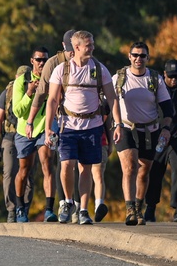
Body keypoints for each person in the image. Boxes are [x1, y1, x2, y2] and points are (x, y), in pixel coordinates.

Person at [44, 30, 122, 225]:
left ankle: (84, 209)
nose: (92, 48)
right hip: (68, 125)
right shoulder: (61, 70)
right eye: (89, 45)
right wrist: (48, 127)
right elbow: (52, 99)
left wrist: (118, 124)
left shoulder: (99, 69)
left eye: (92, 44)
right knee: (66, 165)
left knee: (86, 168)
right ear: (77, 47)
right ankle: (68, 202)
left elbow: (112, 98)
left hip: (92, 126)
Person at [113, 42, 174, 225]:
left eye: (142, 56)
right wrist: (112, 125)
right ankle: (130, 209)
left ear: (148, 58)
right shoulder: (119, 77)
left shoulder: (155, 79)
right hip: (125, 127)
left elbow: (168, 110)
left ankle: (139, 209)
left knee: (144, 171)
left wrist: (165, 129)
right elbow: (109, 101)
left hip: (150, 130)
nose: (138, 59)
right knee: (130, 167)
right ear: (129, 56)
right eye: (135, 55)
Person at [28, 30, 79, 221]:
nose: (75, 53)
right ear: (65, 46)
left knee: (80, 163)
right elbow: (42, 94)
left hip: (83, 120)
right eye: (72, 48)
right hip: (60, 119)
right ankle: (64, 203)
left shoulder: (89, 63)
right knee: (63, 160)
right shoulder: (53, 64)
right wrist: (31, 120)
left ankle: (80, 206)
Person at [145, 59, 177, 223]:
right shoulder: (156, 89)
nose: (173, 80)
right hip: (158, 138)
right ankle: (150, 207)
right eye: (170, 76)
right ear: (164, 74)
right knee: (154, 173)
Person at [11, 49, 51, 223]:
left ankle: (49, 209)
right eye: (38, 60)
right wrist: (29, 93)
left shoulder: (51, 79)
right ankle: (20, 207)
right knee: (24, 170)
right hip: (24, 131)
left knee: (47, 164)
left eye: (45, 60)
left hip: (44, 129)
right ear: (32, 61)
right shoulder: (22, 81)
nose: (42, 63)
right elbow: (18, 111)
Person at [0, 66, 33, 222]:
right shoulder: (7, 93)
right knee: (9, 172)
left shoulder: (34, 91)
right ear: (16, 77)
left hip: (28, 135)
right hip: (10, 136)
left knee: (27, 173)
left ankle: (24, 208)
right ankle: (12, 209)